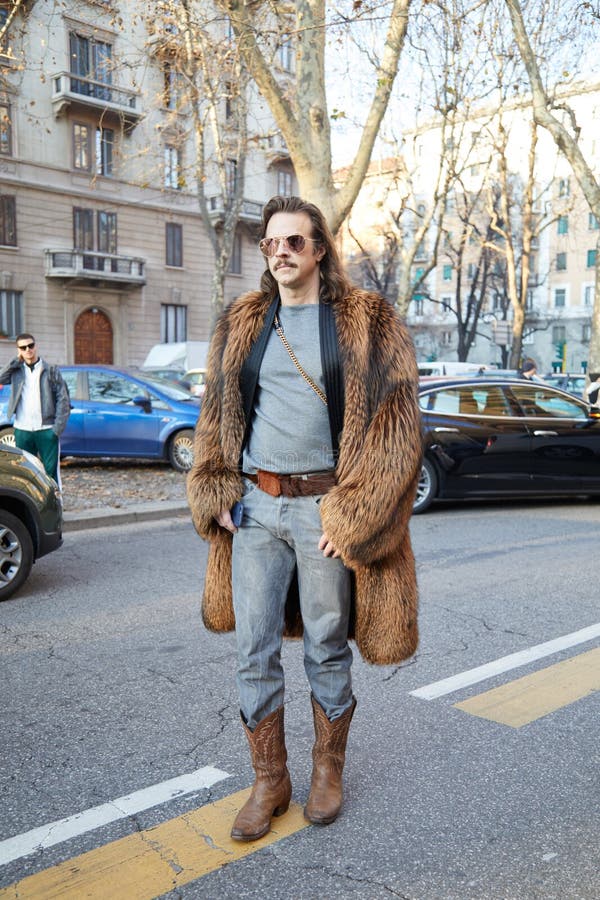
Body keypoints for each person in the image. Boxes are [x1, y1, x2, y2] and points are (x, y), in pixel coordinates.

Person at [187, 195, 422, 842]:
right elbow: (218, 416)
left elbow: (396, 428)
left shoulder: (368, 322)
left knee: (324, 645)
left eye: (294, 242)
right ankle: (269, 780)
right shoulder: (242, 322)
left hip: (328, 511)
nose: (281, 253)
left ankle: (327, 769)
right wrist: (217, 490)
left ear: (320, 249)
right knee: (252, 648)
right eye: (271, 244)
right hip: (256, 510)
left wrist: (352, 515)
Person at [0, 334, 70, 483]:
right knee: (26, 473)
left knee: (51, 475)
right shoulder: (16, 371)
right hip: (22, 430)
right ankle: (30, 506)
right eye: (23, 347)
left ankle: (54, 506)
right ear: (19, 350)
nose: (28, 350)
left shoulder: (50, 370)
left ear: (35, 346)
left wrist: (56, 429)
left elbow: (63, 400)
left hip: (46, 430)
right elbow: (1, 378)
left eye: (30, 346)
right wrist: (15, 361)